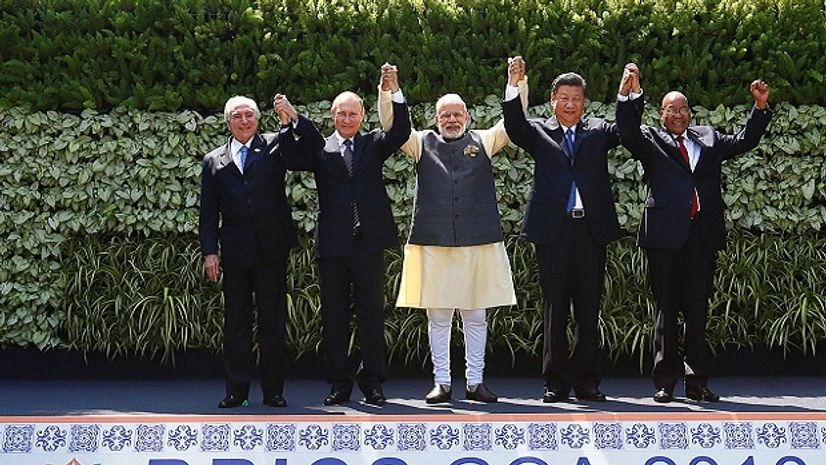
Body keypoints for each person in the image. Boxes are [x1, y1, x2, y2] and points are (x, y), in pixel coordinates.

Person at [616, 65, 772, 403]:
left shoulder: (709, 138)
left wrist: (759, 108)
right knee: (666, 311)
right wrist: (630, 93)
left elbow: (746, 140)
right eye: (671, 109)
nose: (679, 114)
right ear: (661, 114)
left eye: (684, 108)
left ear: (691, 113)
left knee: (698, 311)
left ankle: (697, 382)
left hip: (702, 236)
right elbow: (626, 131)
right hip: (664, 237)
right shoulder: (650, 139)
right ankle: (665, 383)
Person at [381, 74, 528, 405]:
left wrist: (515, 85)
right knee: (439, 318)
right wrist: (390, 90)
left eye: (457, 114)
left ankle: (475, 383)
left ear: (467, 117)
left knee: (475, 317)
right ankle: (442, 383)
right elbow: (392, 124)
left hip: (478, 242)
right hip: (434, 243)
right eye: (445, 115)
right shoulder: (419, 142)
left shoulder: (485, 141)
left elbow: (514, 123)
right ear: (436, 119)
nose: (451, 119)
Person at [502, 57, 639, 403]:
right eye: (563, 98)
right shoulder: (539, 132)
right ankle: (556, 382)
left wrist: (626, 97)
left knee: (589, 308)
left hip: (590, 231)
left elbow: (628, 132)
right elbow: (515, 125)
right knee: (556, 308)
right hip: (554, 232)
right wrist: (514, 84)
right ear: (553, 100)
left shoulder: (598, 131)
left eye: (576, 98)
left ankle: (587, 381)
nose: (570, 104)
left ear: (584, 102)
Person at [280, 64, 411, 406]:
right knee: (334, 317)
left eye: (353, 113)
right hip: (334, 245)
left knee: (372, 315)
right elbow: (291, 156)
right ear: (332, 115)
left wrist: (395, 90)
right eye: (342, 113)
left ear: (363, 115)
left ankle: (373, 383)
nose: (348, 119)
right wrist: (289, 122)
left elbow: (401, 131)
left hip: (368, 243)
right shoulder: (320, 149)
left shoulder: (374, 143)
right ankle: (338, 383)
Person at [199, 94, 323, 408]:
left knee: (272, 322)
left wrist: (293, 118)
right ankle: (236, 391)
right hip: (235, 252)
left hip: (271, 249)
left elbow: (313, 149)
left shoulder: (275, 144)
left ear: (258, 118)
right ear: (228, 122)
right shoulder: (214, 159)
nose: (244, 121)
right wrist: (209, 252)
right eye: (237, 116)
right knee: (235, 323)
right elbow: (208, 212)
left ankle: (273, 391)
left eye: (249, 115)